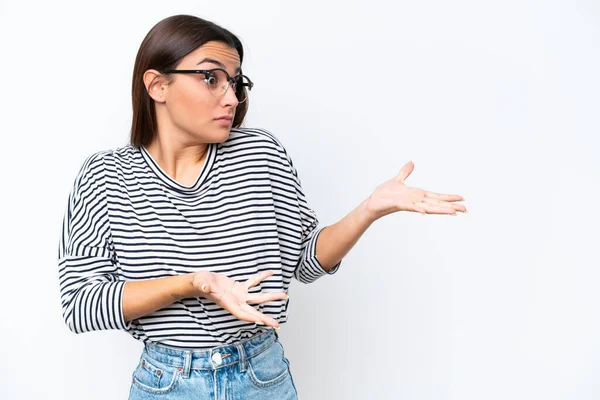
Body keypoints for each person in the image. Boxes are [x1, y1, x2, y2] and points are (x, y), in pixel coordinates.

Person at [57, 14, 467, 399]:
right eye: (210, 78)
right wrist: (194, 282)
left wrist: (369, 210)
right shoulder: (106, 176)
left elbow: (304, 263)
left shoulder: (259, 153)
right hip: (166, 382)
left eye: (235, 83)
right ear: (157, 85)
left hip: (261, 376)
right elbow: (80, 305)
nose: (231, 98)